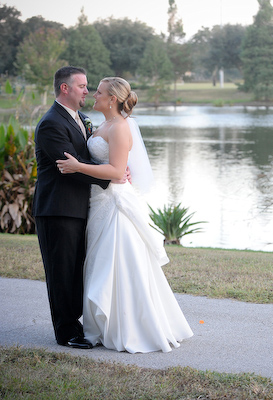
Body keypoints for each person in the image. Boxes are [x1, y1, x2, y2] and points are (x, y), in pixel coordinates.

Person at [56, 77, 193, 353]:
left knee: (114, 263)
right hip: (98, 202)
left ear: (112, 99)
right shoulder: (101, 125)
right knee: (97, 263)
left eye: (99, 92)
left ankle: (127, 327)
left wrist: (78, 166)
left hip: (115, 204)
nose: (93, 95)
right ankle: (102, 327)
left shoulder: (119, 127)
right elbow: (110, 163)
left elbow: (118, 172)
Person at [33, 66, 112, 349]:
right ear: (64, 88)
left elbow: (83, 157)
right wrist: (111, 175)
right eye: (82, 86)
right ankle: (66, 332)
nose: (87, 92)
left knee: (78, 269)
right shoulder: (51, 123)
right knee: (61, 271)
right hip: (57, 209)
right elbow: (71, 167)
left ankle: (78, 323)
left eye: (88, 86)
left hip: (80, 208)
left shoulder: (83, 119)